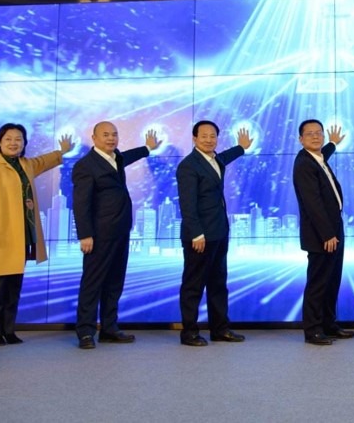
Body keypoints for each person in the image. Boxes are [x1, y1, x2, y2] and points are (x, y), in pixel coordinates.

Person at [0, 123, 73, 346]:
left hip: (22, 236)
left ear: (24, 143)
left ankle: (9, 330)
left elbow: (43, 162)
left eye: (18, 139)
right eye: (8, 139)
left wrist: (62, 151)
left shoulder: (25, 164)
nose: (13, 143)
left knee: (14, 286)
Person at [72, 121, 160, 349]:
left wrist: (147, 148)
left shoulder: (116, 157)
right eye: (105, 135)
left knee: (114, 282)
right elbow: (81, 203)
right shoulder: (85, 165)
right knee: (92, 283)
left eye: (114, 134)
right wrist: (85, 235)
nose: (111, 138)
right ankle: (85, 332)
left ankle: (109, 328)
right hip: (98, 234)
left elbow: (128, 156)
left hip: (121, 231)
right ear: (94, 138)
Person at [176, 120, 252, 347]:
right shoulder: (188, 166)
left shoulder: (215, 159)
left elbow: (226, 157)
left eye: (213, 136)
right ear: (194, 139)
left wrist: (241, 147)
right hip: (200, 236)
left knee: (218, 283)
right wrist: (196, 234)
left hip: (219, 232)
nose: (209, 140)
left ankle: (220, 329)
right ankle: (189, 333)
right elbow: (187, 204)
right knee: (193, 285)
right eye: (204, 136)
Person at [293, 120, 354, 346]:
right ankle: (313, 330)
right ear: (301, 139)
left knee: (332, 280)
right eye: (309, 134)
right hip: (321, 234)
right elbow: (313, 203)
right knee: (318, 283)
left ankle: (329, 324)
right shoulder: (304, 164)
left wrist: (333, 144)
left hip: (333, 228)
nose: (315, 137)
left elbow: (323, 152)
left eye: (319, 133)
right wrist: (327, 234)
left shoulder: (317, 158)